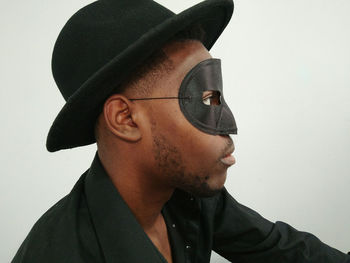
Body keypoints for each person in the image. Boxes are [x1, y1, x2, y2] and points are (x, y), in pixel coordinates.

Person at [12, 0, 350, 262]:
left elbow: (284, 249)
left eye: (218, 97)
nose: (229, 127)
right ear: (126, 119)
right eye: (206, 98)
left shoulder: (189, 197)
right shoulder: (59, 255)